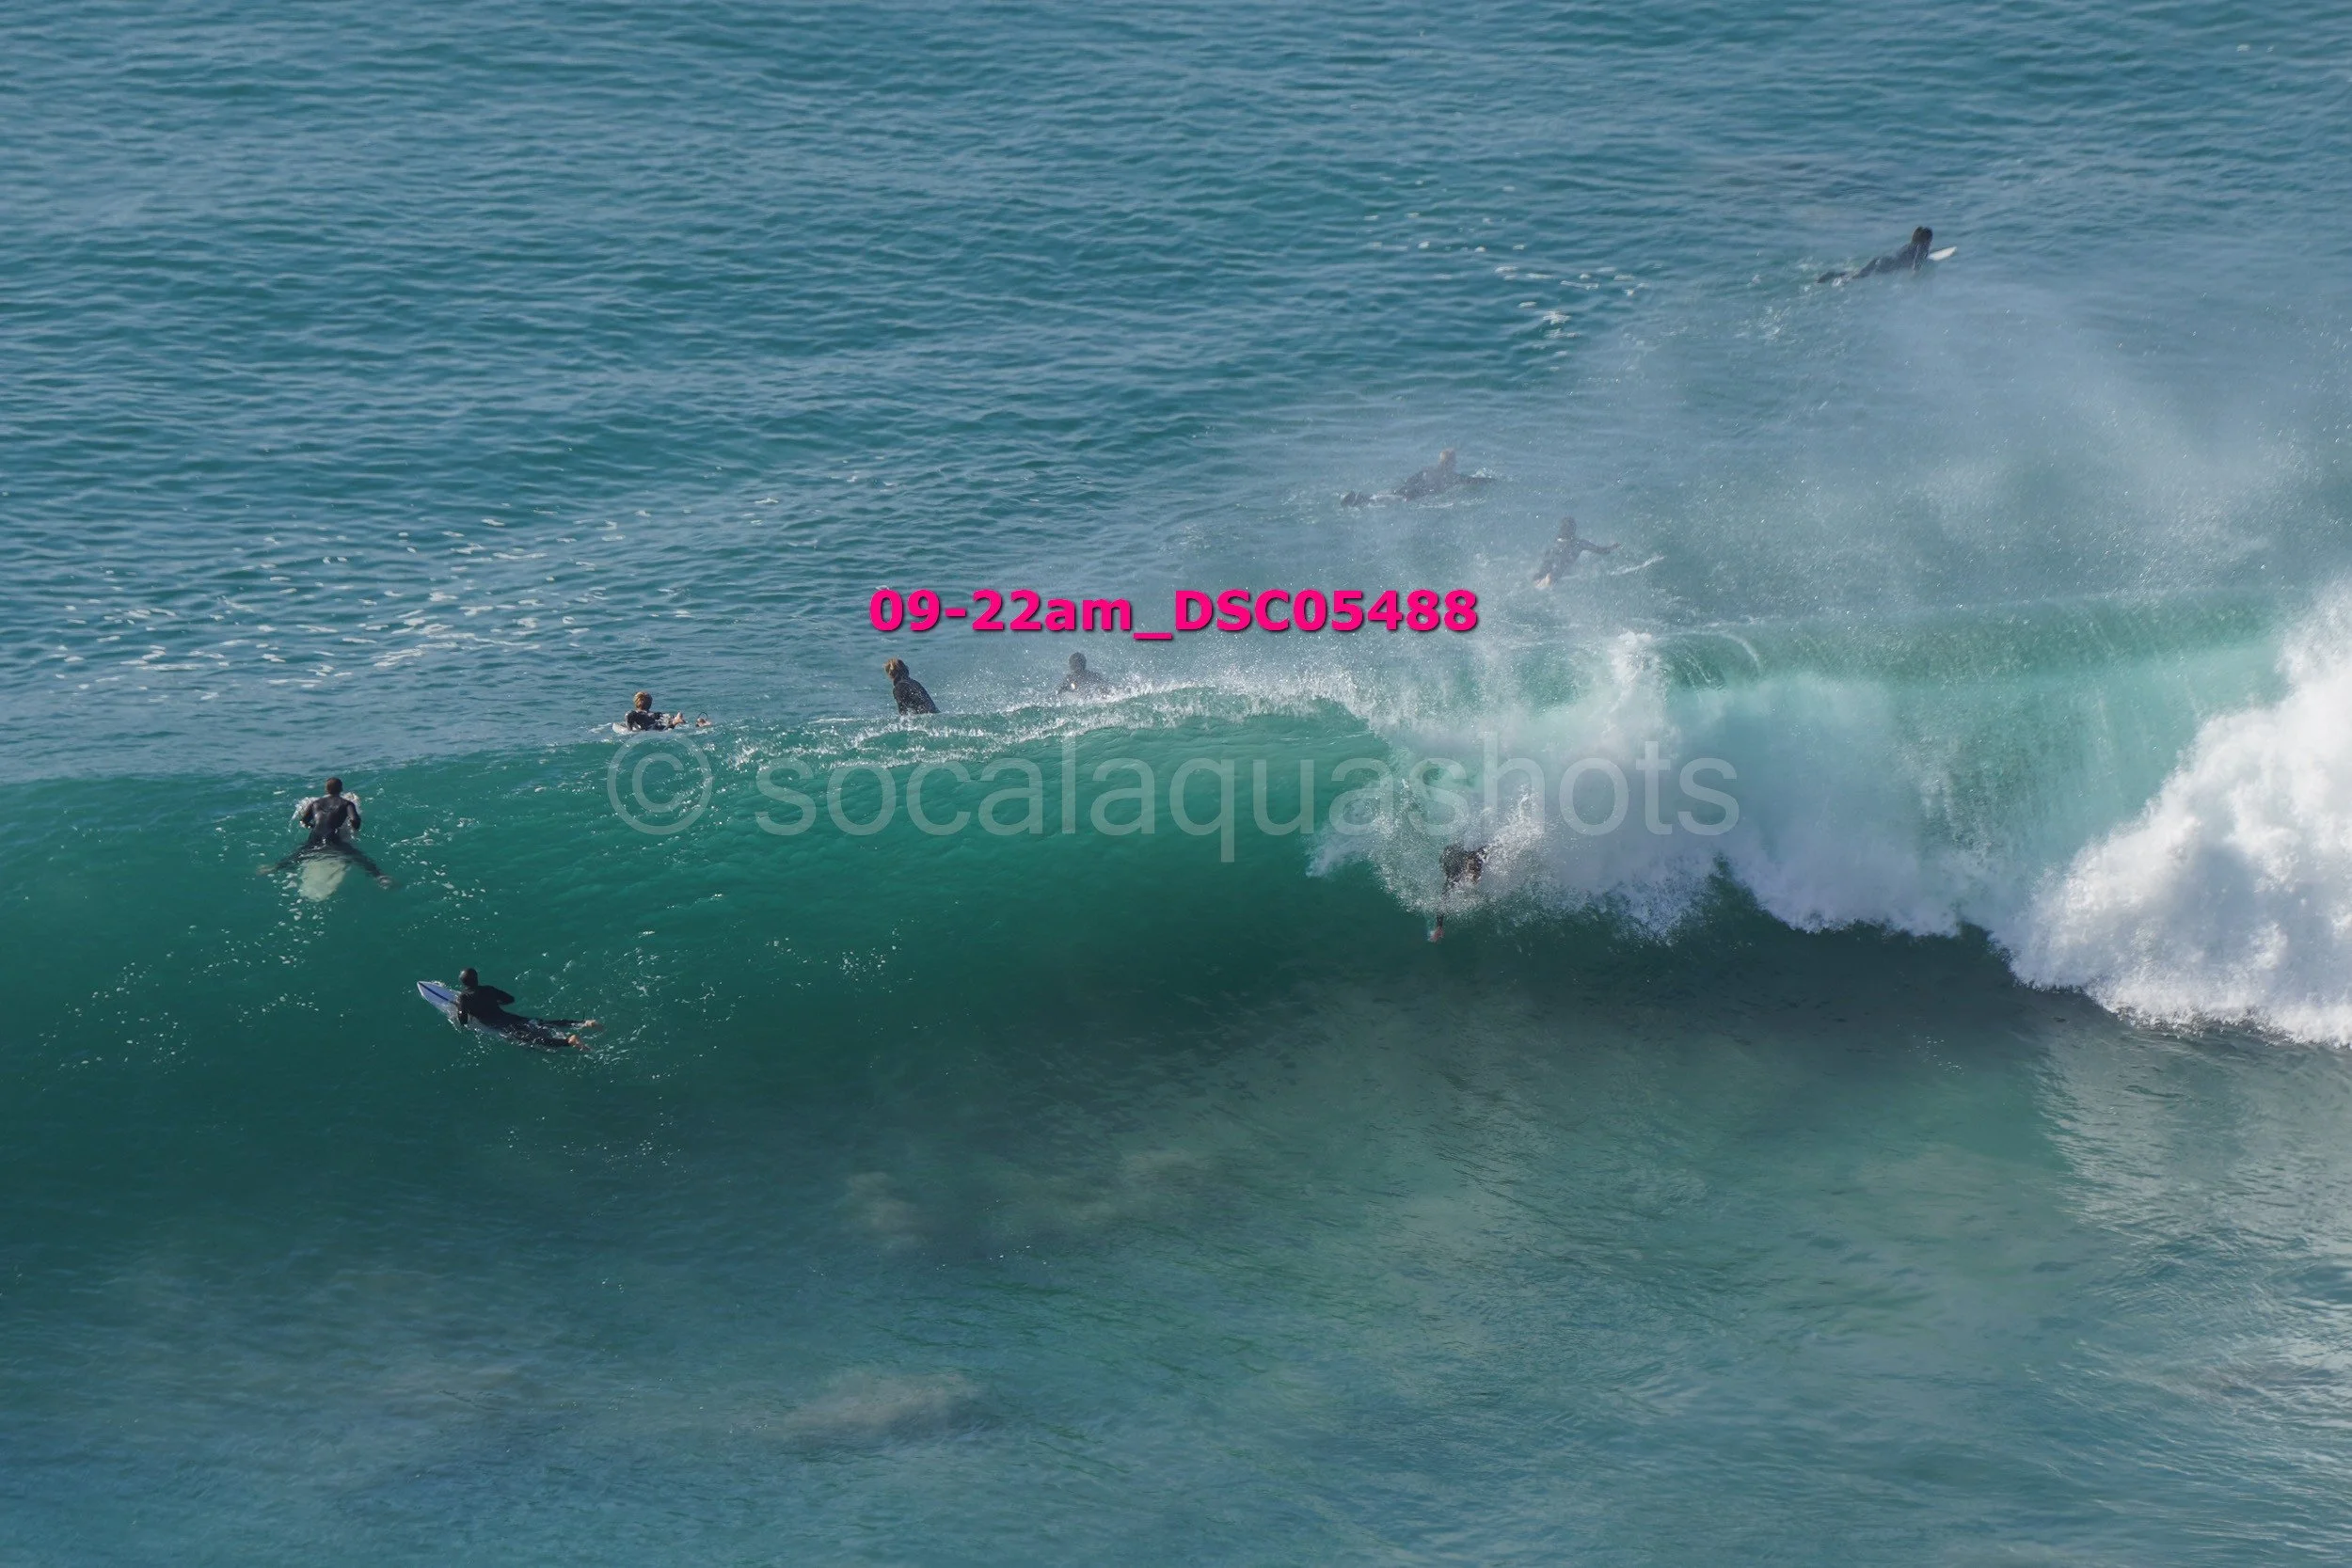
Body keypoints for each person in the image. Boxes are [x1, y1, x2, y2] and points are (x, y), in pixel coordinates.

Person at [262, 777, 390, 884]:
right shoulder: (347, 803)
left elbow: (304, 821)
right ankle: (380, 877)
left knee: (299, 854)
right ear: (341, 789)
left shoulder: (315, 803)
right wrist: (354, 830)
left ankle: (275, 868)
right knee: (357, 857)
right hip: (332, 837)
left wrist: (313, 827)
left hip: (315, 835)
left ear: (326, 789)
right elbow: (355, 819)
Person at [453, 967, 597, 1051]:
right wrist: (493, 1003)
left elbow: (463, 1021)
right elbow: (510, 999)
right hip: (510, 1017)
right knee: (542, 1023)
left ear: (463, 983)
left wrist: (464, 1010)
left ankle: (568, 1041)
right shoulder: (489, 989)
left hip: (502, 1026)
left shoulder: (463, 998)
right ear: (477, 978)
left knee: (533, 1039)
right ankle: (583, 1023)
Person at [1343, 448, 1495, 506]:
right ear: (1449, 463)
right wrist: (1491, 481)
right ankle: (1363, 499)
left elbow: (1409, 480)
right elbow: (1471, 480)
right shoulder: (1451, 476)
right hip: (1416, 494)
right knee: (1393, 499)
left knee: (1392, 493)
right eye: (1454, 461)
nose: (1456, 463)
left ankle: (1361, 497)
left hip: (1408, 487)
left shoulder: (1427, 470)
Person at [1820, 227, 1934, 284]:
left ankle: (1833, 274)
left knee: (1859, 273)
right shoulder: (1922, 247)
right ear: (1927, 240)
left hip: (1882, 259)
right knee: (1859, 277)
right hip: (1889, 265)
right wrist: (1915, 276)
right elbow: (1917, 261)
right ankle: (1840, 281)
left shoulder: (1910, 245)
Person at [1534, 515, 1617, 587]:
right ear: (1573, 530)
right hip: (1560, 564)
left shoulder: (1556, 541)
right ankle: (1550, 578)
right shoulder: (1579, 543)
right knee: (1558, 571)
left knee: (1543, 571)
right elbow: (1601, 551)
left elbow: (1547, 554)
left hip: (1550, 557)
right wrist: (1612, 547)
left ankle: (1539, 579)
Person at [1431, 843, 1486, 942]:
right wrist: (1439, 926)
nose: (1476, 874)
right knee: (1449, 879)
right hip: (1447, 856)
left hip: (1459, 852)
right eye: (1473, 871)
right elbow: (1443, 900)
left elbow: (1490, 846)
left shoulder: (1477, 856)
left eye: (1477, 871)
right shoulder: (1454, 876)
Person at [624, 691, 709, 731]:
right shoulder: (655, 713)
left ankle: (675, 722)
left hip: (650, 725)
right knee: (669, 723)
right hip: (660, 718)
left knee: (662, 730)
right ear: (650, 704)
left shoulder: (638, 714)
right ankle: (698, 723)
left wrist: (629, 730)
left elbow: (628, 714)